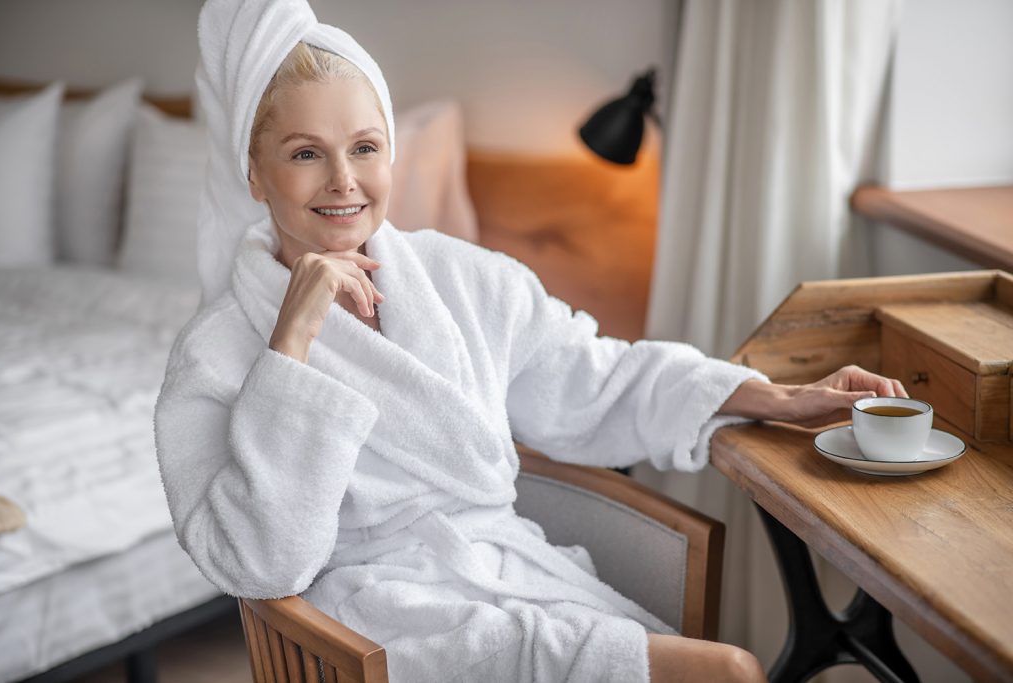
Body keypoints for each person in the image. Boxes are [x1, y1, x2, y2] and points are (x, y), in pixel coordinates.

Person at [155, 1, 908, 681]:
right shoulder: (216, 353)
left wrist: (775, 395)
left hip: (499, 569)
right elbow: (261, 561)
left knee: (724, 668)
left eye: (365, 147)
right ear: (253, 173)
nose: (344, 180)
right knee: (731, 672)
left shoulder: (463, 280)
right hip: (373, 628)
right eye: (304, 153)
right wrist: (292, 342)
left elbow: (596, 377)